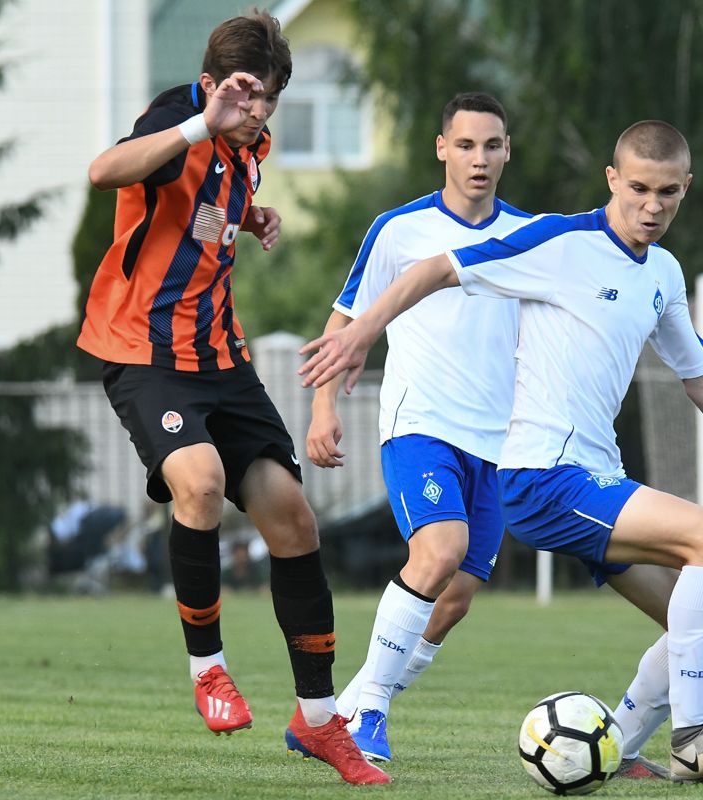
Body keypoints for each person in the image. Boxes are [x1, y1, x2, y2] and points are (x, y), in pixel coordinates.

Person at [298, 119, 703, 782]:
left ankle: (621, 742)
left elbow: (694, 372)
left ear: (686, 189)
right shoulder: (560, 241)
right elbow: (437, 268)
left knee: (695, 620)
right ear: (612, 180)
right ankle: (693, 735)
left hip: (598, 479)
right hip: (546, 477)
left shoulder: (663, 271)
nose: (651, 206)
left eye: (667, 193)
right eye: (638, 189)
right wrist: (362, 332)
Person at [77, 10, 388, 786]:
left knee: (292, 515)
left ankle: (319, 722)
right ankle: (208, 669)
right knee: (202, 481)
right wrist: (196, 125)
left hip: (223, 359)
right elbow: (104, 172)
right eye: (244, 99)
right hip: (145, 353)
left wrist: (251, 216)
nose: (256, 115)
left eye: (269, 103)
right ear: (211, 85)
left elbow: (202, 212)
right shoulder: (176, 117)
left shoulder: (250, 149)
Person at [306, 92, 530, 762]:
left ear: (507, 150)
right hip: (420, 425)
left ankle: (340, 712)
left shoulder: (529, 234)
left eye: (492, 145)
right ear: (441, 149)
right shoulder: (399, 230)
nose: (479, 159)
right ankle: (369, 716)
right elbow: (345, 319)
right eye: (465, 145)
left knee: (454, 596)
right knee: (438, 551)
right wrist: (323, 411)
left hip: (496, 443)